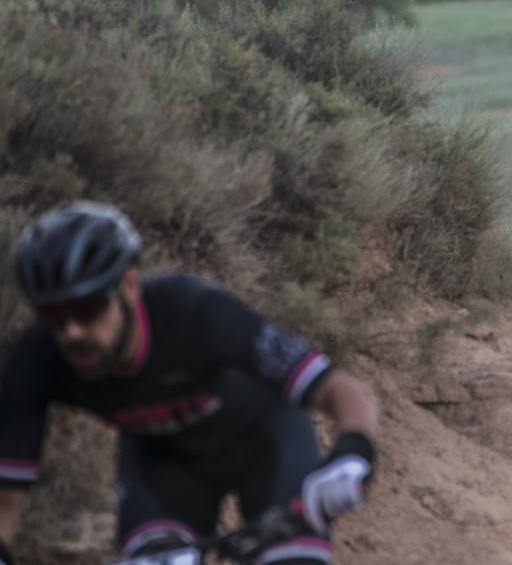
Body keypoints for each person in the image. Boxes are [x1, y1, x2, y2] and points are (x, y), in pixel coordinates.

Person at [0, 201, 380, 565]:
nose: (72, 331)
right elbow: (6, 500)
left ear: (130, 286)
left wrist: (354, 450)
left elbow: (338, 390)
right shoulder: (38, 356)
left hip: (264, 441)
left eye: (87, 307)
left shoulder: (195, 311)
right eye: (51, 313)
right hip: (165, 461)